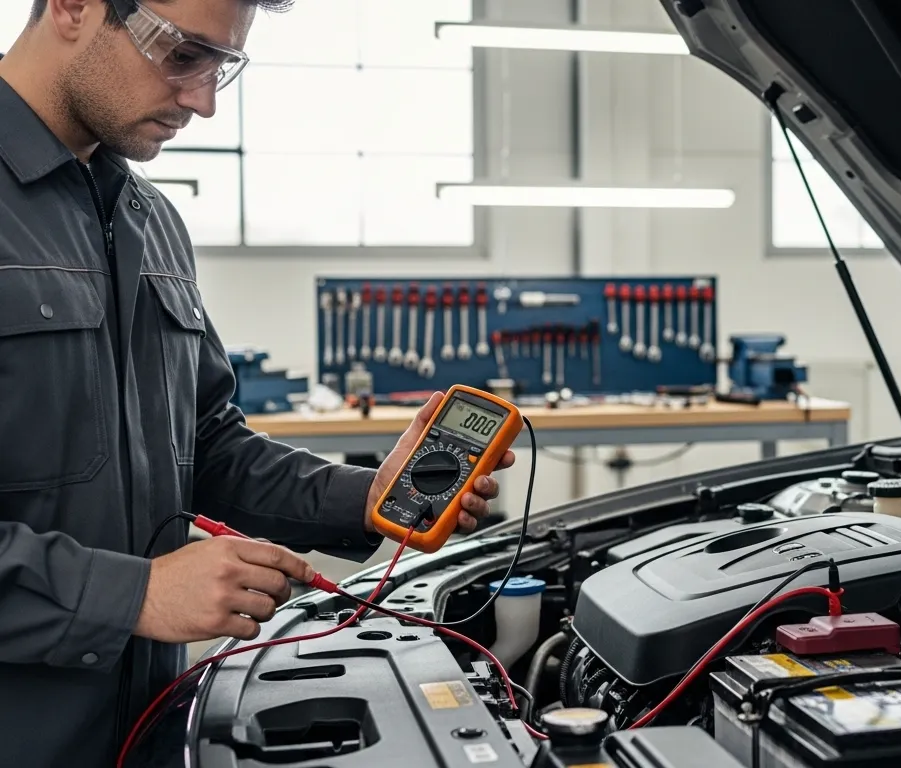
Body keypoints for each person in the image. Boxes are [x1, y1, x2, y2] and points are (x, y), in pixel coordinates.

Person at [0, 1, 515, 764]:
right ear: (74, 7)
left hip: (142, 731)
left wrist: (368, 497)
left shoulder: (151, 221)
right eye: (182, 55)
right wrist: (132, 594)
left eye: (222, 67)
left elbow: (206, 449)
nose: (203, 99)